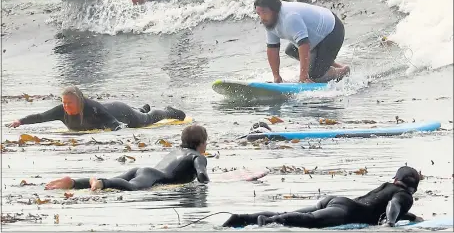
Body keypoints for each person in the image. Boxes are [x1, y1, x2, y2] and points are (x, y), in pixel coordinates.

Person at [222, 166, 423, 228]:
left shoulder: (388, 186)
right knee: (310, 222)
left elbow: (387, 206)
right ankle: (268, 221)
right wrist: (390, 223)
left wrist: (410, 217)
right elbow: (393, 206)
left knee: (287, 213)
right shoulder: (404, 195)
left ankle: (242, 218)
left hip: (337, 201)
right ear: (414, 186)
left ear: (395, 178)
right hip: (348, 211)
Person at [45, 125, 210, 191]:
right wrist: (209, 185)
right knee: (131, 188)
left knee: (115, 181)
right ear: (202, 143)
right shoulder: (198, 157)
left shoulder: (177, 151)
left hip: (142, 171)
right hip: (152, 176)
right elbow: (202, 175)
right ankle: (101, 182)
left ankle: (74, 183)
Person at [254, 0, 350, 84]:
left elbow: (304, 46)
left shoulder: (290, 17)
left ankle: (342, 71)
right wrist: (276, 76)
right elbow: (272, 49)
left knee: (315, 76)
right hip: (314, 37)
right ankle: (328, 65)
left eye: (264, 12)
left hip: (332, 30)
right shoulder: (269, 21)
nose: (262, 18)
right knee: (291, 51)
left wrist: (304, 76)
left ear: (274, 10)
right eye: (259, 14)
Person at [6, 86, 186, 131]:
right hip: (113, 110)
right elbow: (40, 116)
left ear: (80, 101)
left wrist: (120, 131)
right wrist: (19, 121)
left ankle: (169, 111)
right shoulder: (61, 110)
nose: (66, 106)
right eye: (64, 103)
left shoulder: (92, 108)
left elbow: (114, 123)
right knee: (141, 112)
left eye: (70, 103)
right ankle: (141, 107)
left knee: (145, 120)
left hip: (120, 111)